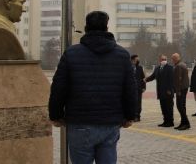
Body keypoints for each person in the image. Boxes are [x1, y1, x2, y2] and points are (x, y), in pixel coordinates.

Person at [48, 11, 136, 164]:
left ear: (86, 28)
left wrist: (55, 115)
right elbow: (130, 89)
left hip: (79, 123)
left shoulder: (71, 53)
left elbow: (59, 87)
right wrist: (130, 115)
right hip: (110, 122)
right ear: (106, 28)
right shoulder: (122, 55)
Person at [145, 54, 175, 127]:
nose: (163, 61)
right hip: (160, 92)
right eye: (162, 59)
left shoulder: (170, 68)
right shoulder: (157, 68)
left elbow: (171, 80)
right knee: (163, 107)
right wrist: (145, 80)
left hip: (168, 92)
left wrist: (170, 89)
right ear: (159, 60)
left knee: (169, 107)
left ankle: (170, 122)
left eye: (165, 59)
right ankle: (165, 121)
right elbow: (153, 76)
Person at [171, 53, 191, 130]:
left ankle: (186, 123)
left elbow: (178, 79)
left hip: (181, 89)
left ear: (177, 58)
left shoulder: (178, 66)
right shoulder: (183, 64)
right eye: (172, 59)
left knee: (180, 106)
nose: (172, 60)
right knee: (182, 106)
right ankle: (183, 123)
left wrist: (178, 90)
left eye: (173, 59)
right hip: (184, 88)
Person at [131, 54, 146, 122]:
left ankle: (137, 116)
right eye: (136, 59)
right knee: (131, 102)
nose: (137, 61)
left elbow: (143, 78)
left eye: (138, 60)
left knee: (138, 103)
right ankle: (132, 116)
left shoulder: (140, 68)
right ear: (132, 60)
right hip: (131, 89)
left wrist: (144, 87)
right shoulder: (128, 67)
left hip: (139, 89)